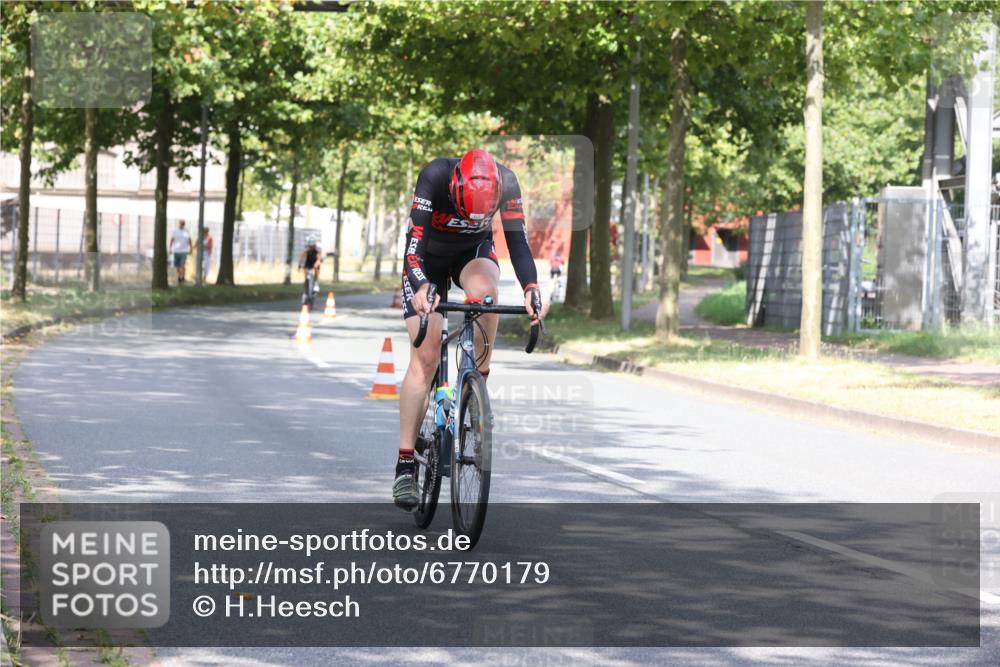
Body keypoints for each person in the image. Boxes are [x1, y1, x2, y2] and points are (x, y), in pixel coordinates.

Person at [393, 148, 546, 510]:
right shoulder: (434, 176)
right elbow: (412, 248)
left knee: (487, 293)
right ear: (456, 187)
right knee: (426, 359)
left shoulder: (506, 181)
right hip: (427, 258)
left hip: (471, 253)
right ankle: (404, 466)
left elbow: (517, 241)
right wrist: (419, 287)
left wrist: (531, 287)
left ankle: (477, 381)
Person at [170, 220, 192, 284]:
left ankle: (183, 277)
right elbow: (172, 239)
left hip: (184, 251)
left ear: (184, 224)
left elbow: (189, 240)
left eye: (183, 224)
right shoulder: (175, 231)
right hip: (176, 250)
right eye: (181, 223)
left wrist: (191, 249)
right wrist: (170, 248)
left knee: (182, 265)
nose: (182, 225)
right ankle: (179, 277)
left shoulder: (186, 231)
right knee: (177, 266)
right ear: (179, 224)